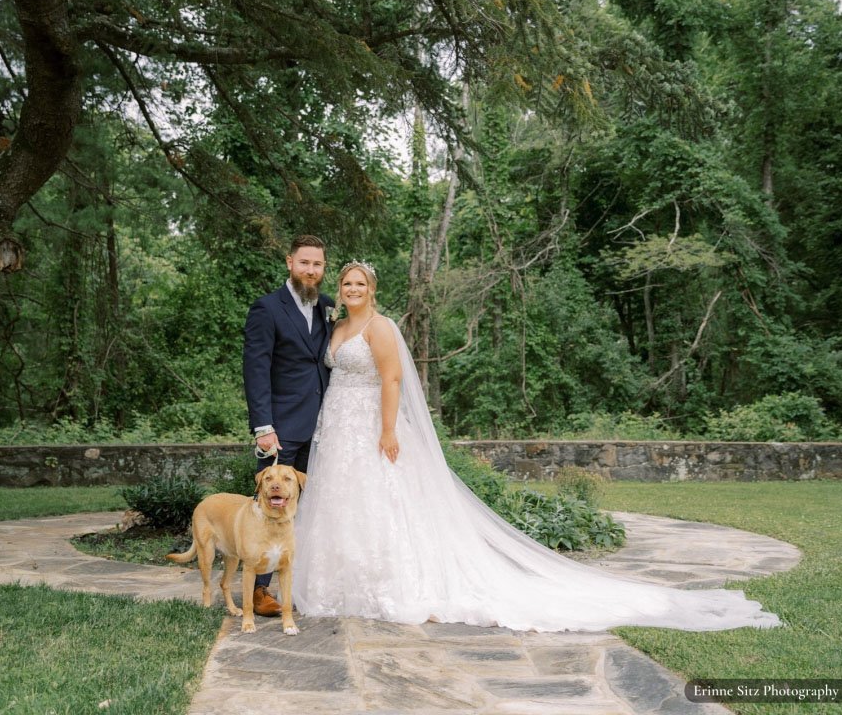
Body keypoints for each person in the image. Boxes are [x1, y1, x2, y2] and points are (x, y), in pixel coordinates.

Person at [292, 261, 780, 632]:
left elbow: (393, 378)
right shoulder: (337, 327)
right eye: (347, 284)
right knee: (341, 502)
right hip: (337, 426)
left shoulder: (380, 327)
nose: (353, 290)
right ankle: (339, 585)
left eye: (360, 284)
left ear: (372, 289)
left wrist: (389, 429)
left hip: (373, 424)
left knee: (383, 503)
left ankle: (389, 585)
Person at [242, 234, 334, 617]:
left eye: (318, 265)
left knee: (313, 505)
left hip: (327, 426)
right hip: (281, 426)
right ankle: (260, 591)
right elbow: (256, 369)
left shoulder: (329, 307)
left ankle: (304, 580)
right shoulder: (267, 309)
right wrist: (263, 425)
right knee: (269, 505)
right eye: (304, 263)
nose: (311, 271)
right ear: (289, 263)